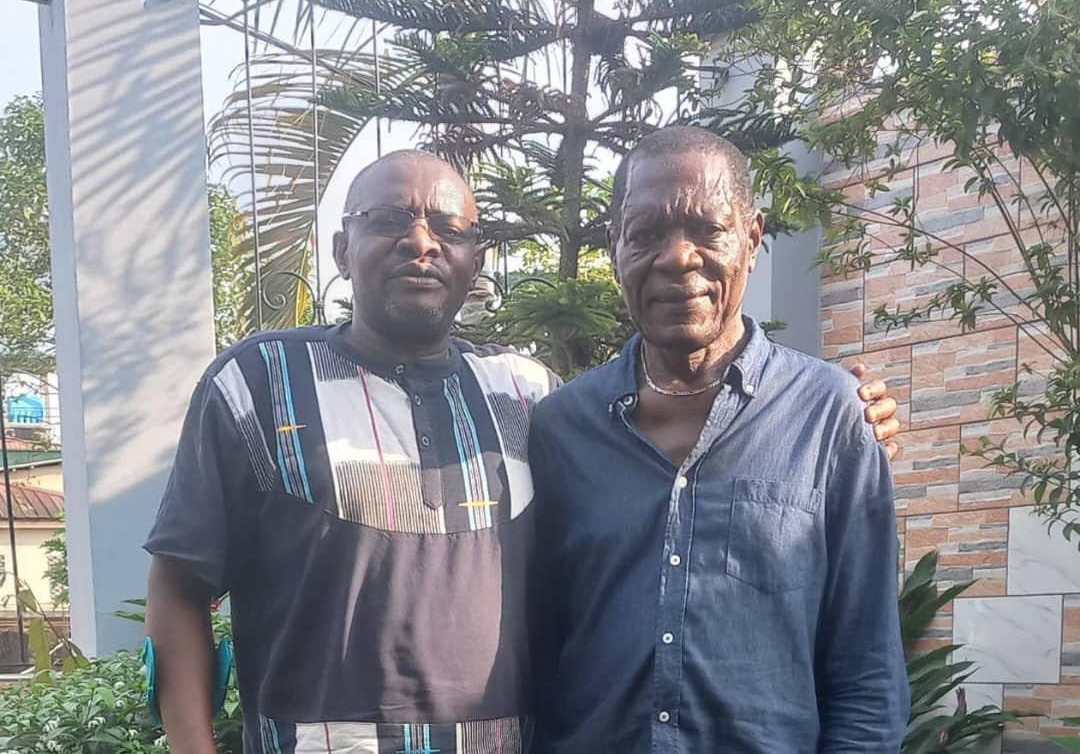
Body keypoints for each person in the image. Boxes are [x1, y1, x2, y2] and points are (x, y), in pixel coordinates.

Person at [144, 148, 898, 754]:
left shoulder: (526, 395)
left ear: (476, 260)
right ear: (342, 248)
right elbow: (179, 584)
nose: (421, 242)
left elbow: (865, 661)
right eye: (389, 219)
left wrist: (845, 415)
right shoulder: (259, 384)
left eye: (449, 227)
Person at [528, 126, 910, 753]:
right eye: (645, 233)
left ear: (752, 239)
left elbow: (868, 673)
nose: (678, 258)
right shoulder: (561, 430)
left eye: (708, 230)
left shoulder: (832, 418)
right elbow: (536, 655)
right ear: (615, 246)